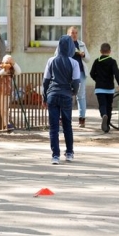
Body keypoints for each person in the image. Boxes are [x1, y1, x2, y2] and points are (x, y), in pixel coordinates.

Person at [43, 35, 80, 164]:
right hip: (66, 95)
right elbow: (76, 82)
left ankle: (55, 156)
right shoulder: (74, 62)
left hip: (52, 95)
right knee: (67, 125)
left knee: (53, 127)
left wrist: (45, 95)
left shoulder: (51, 60)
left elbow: (45, 81)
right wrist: (73, 93)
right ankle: (69, 153)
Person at [89, 43, 119, 133]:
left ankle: (104, 115)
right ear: (110, 51)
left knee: (102, 105)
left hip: (99, 88)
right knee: (109, 106)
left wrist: (97, 79)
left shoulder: (97, 61)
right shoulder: (112, 61)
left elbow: (92, 73)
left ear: (100, 51)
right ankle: (107, 125)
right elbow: (116, 73)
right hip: (109, 88)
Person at [64, 26, 90, 128]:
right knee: (67, 95)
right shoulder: (64, 43)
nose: (74, 35)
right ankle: (66, 118)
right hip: (68, 74)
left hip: (80, 73)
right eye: (72, 33)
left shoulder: (81, 44)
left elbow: (88, 59)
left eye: (76, 33)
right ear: (68, 34)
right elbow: (57, 56)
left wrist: (83, 55)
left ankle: (82, 118)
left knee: (81, 96)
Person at [0, 54, 21, 131]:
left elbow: (19, 72)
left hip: (6, 91)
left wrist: (14, 63)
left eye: (9, 61)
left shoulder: (11, 69)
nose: (8, 63)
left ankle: (6, 124)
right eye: (7, 61)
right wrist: (4, 70)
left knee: (5, 109)